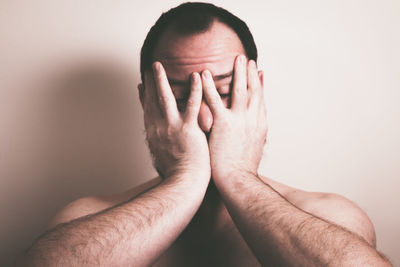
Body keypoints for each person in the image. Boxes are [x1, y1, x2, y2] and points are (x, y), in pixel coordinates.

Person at [19, 2, 392, 266]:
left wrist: (238, 176)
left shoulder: (328, 216)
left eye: (224, 93)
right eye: (179, 96)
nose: (203, 116)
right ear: (146, 101)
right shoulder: (87, 219)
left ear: (256, 92)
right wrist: (186, 180)